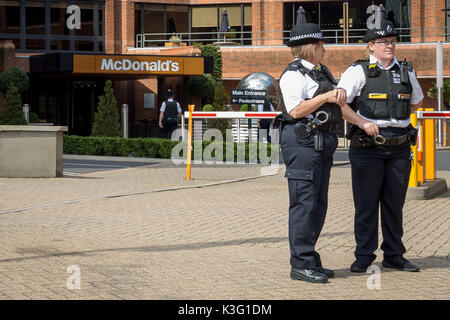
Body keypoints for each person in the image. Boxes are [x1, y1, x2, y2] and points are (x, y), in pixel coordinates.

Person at [337, 13, 423, 273]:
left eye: (392, 41)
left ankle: (394, 255)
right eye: (383, 41)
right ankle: (364, 254)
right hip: (368, 148)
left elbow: (417, 100)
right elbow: (341, 105)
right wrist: (362, 122)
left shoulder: (406, 70)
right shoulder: (358, 71)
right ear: (371, 45)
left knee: (394, 204)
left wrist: (397, 118)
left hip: (399, 147)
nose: (389, 45)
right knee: (366, 204)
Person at [276, 8, 348, 283]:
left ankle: (310, 258)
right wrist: (328, 95)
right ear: (309, 48)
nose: (325, 50)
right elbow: (295, 110)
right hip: (302, 142)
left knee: (318, 204)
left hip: (321, 143)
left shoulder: (322, 72)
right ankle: (301, 263)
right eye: (320, 46)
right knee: (304, 204)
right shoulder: (294, 75)